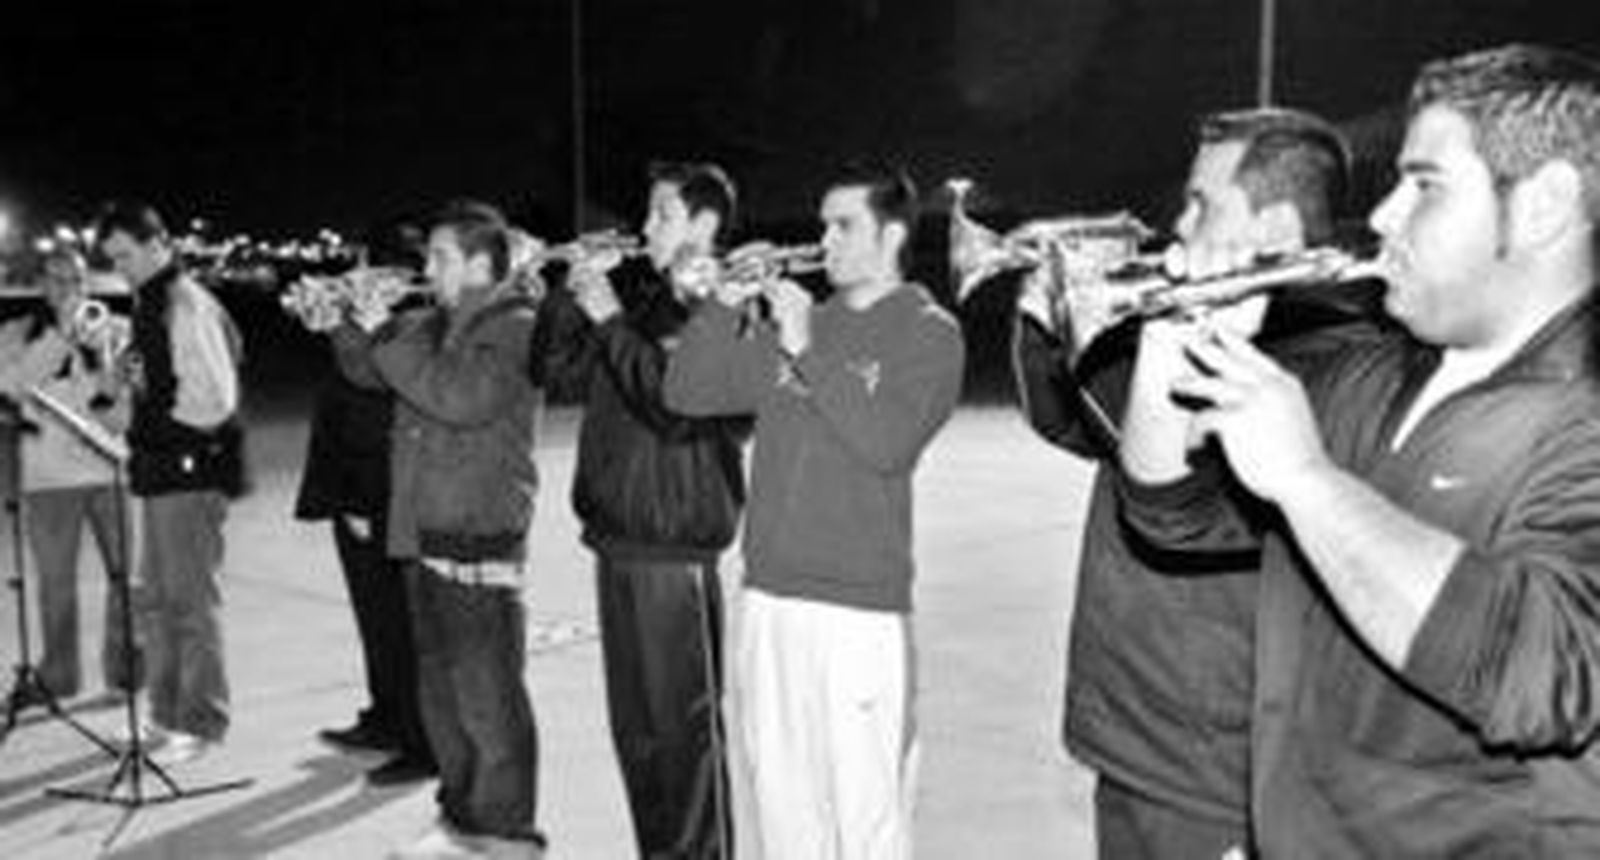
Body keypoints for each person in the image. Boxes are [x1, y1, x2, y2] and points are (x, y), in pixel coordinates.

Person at [1117, 44, 1600, 855]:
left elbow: (1541, 672)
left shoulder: (1583, 417)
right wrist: (1174, 345)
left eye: (1426, 186)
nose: (1381, 217)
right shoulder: (1366, 377)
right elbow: (1175, 516)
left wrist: (1309, 482)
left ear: (1547, 204)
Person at [1012, 106, 1377, 858]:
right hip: (1130, 744)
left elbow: (1176, 498)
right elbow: (1073, 427)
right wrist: (1043, 325)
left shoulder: (1328, 363)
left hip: (1217, 776)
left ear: (1274, 225)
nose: (1178, 224)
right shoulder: (1196, 324)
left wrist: (1152, 339)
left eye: (1202, 203)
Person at [665, 162, 965, 859]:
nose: (823, 239)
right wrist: (719, 308)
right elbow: (688, 391)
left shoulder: (928, 331)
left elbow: (887, 443)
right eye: (822, 223)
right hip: (769, 602)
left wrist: (806, 350)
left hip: (858, 614)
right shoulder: (804, 319)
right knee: (780, 812)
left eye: (843, 225)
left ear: (891, 235)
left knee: (866, 822)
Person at [541, 161, 747, 858]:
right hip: (617, 541)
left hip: (675, 551)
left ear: (705, 225)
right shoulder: (645, 304)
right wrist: (576, 296)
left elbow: (675, 409)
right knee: (638, 736)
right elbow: (556, 376)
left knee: (684, 736)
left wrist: (611, 322)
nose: (646, 226)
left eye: (662, 213)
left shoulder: (721, 305)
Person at [336, 200, 547, 858]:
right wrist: (348, 324)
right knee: (443, 699)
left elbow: (461, 399)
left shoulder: (514, 324)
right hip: (426, 531)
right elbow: (368, 371)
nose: (426, 269)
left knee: (488, 700)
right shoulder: (435, 321)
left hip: (479, 531)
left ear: (482, 264)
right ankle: (463, 818)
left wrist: (385, 333)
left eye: (441, 257)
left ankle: (507, 830)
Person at [97, 202, 244, 767]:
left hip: (189, 473)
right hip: (160, 472)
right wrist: (123, 389)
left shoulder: (184, 302)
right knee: (155, 601)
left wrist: (135, 418)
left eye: (127, 257)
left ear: (159, 243)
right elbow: (156, 383)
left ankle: (202, 721)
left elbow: (214, 400)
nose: (121, 269)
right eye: (112, 260)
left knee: (190, 602)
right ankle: (165, 715)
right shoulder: (150, 302)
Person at [294, 221, 436, 785]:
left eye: (371, 271)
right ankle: (387, 718)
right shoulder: (384, 323)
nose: (360, 281)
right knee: (375, 619)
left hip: (380, 491)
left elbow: (368, 378)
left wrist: (343, 326)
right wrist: (334, 319)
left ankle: (420, 738)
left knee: (398, 623)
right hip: (358, 487)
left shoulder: (415, 323)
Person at [0, 248, 140, 705]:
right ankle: (59, 677)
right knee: (56, 586)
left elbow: (125, 406)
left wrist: (104, 361)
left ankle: (126, 675)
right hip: (49, 479)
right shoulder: (18, 333)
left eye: (75, 281)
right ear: (41, 284)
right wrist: (62, 336)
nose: (67, 290)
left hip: (107, 472)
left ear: (86, 284)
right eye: (56, 281)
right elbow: (14, 384)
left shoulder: (114, 329)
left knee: (126, 579)